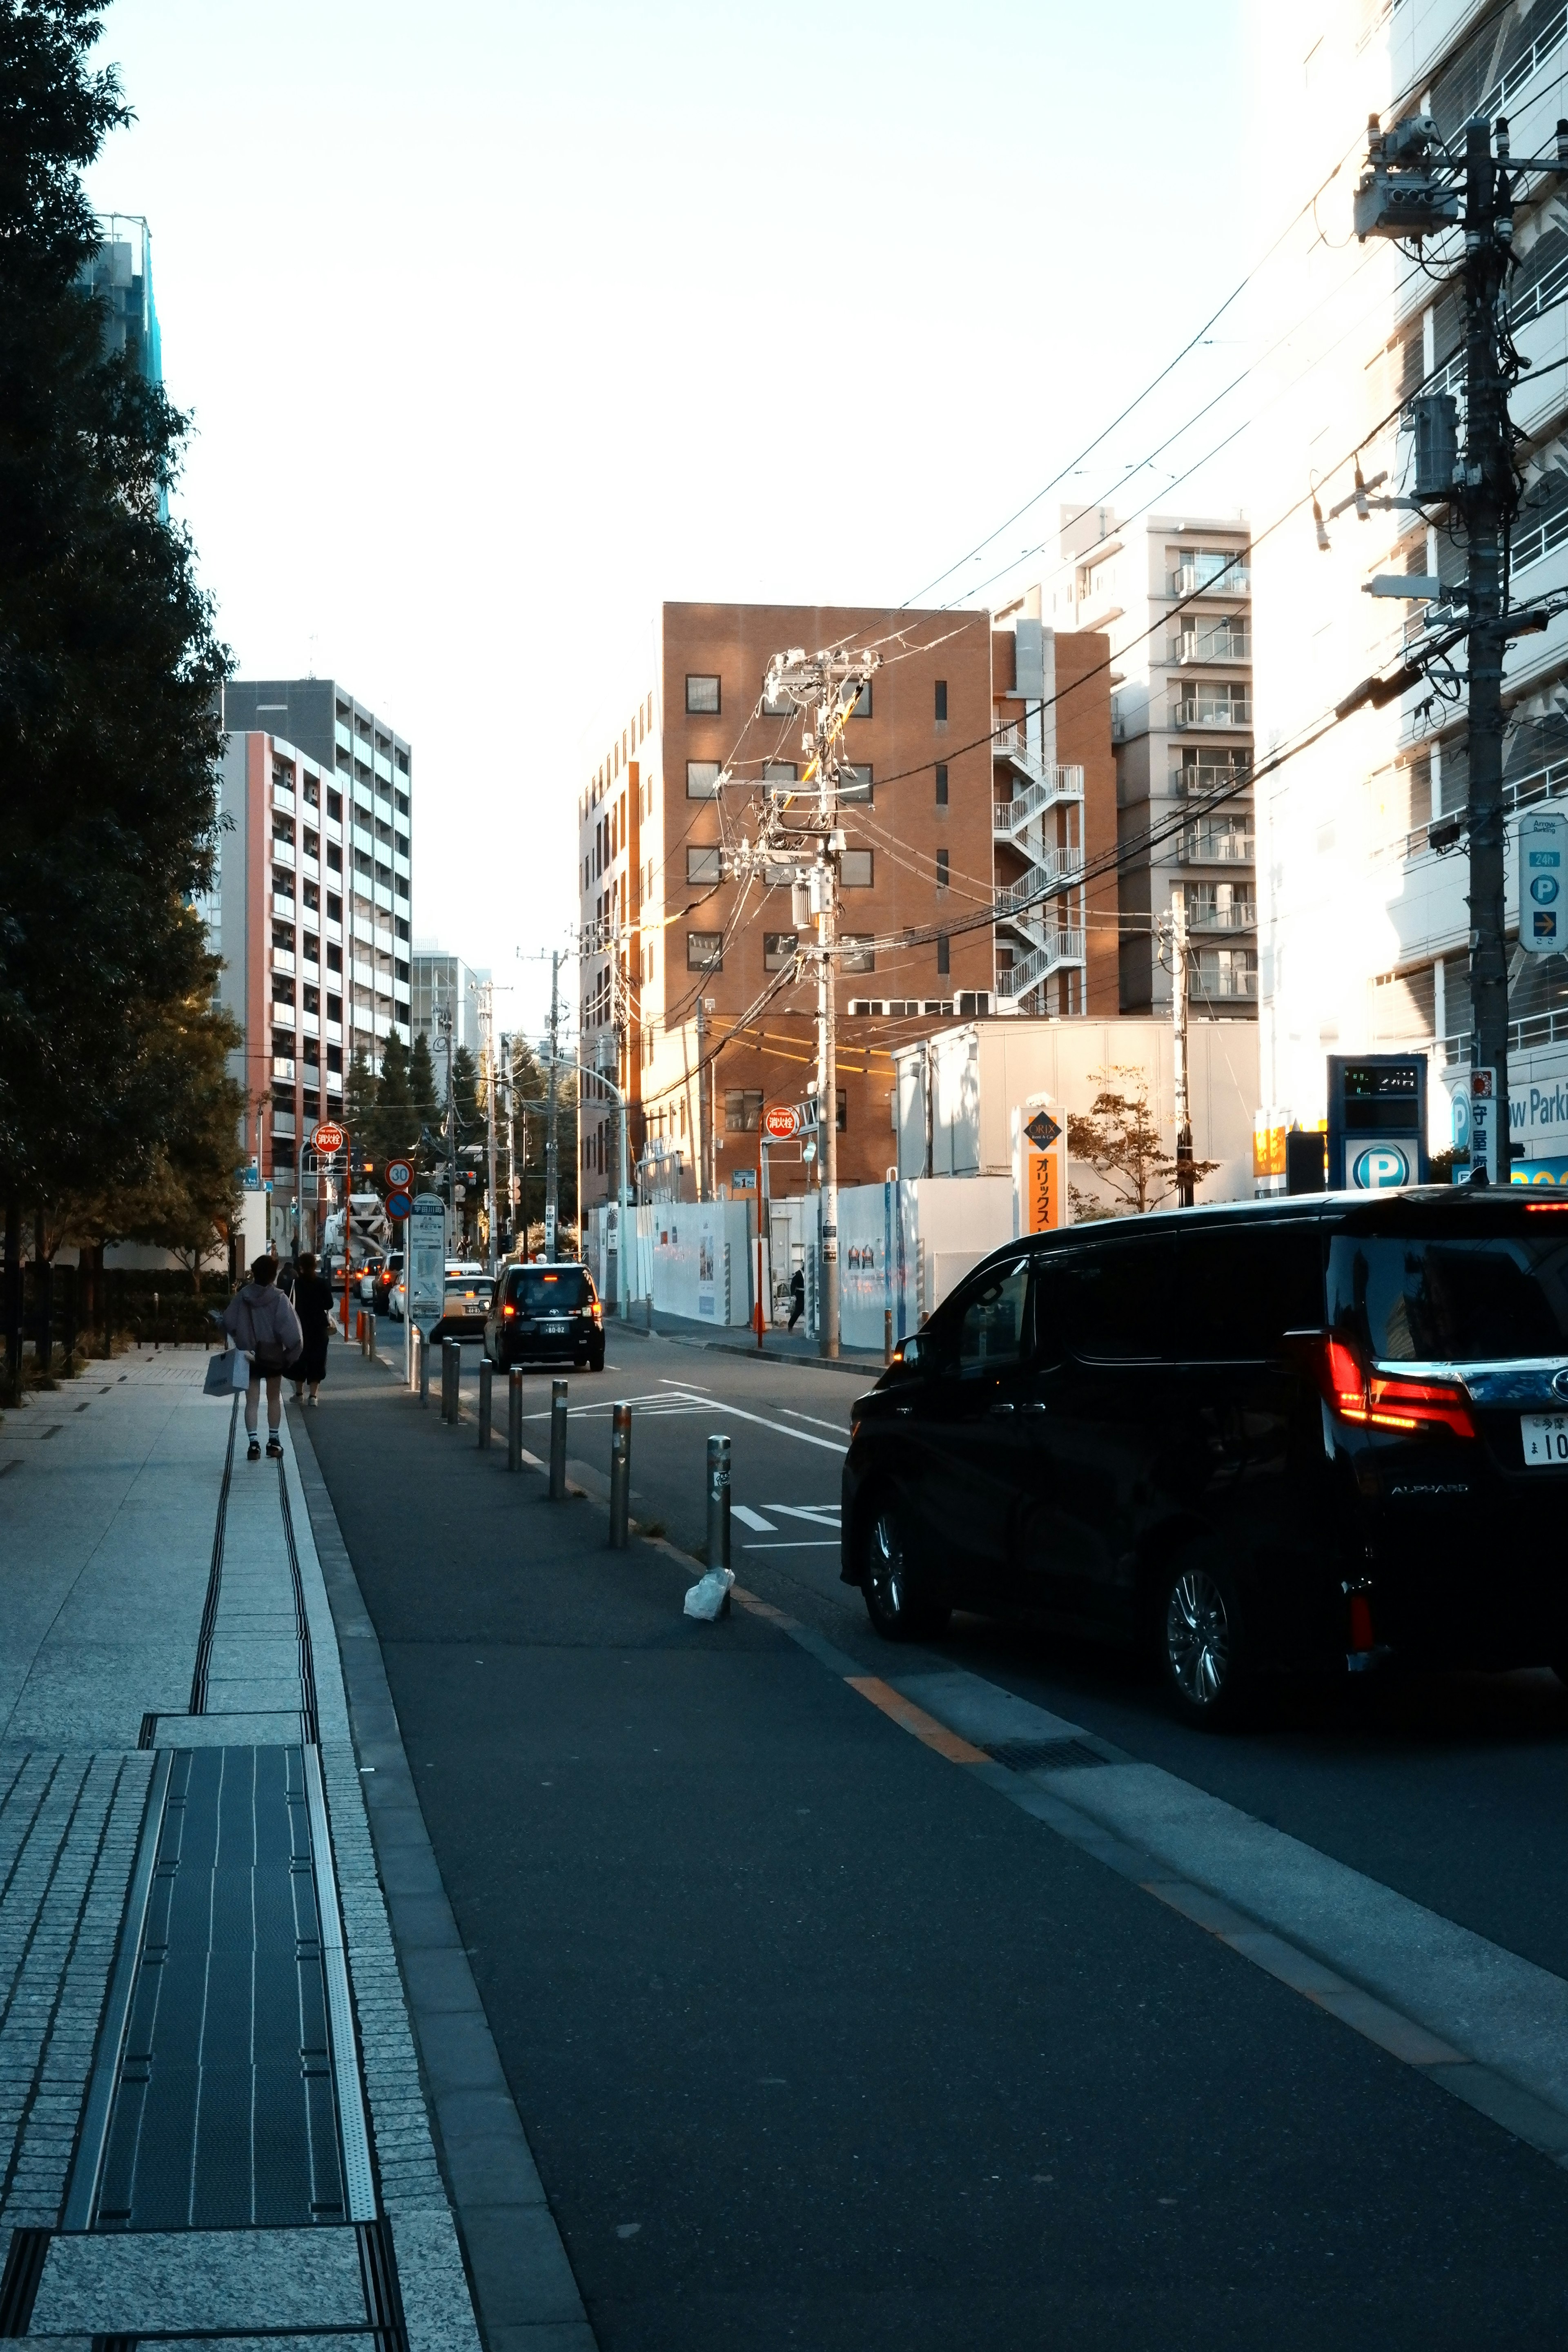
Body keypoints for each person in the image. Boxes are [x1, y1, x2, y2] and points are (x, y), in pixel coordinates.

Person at [222, 1256, 303, 1462]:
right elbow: (293, 1333)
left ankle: (253, 1445)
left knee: (252, 1401)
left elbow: (228, 1321)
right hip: (273, 1356)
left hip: (248, 1355)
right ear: (273, 1274)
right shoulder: (280, 1299)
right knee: (274, 1398)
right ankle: (274, 1443)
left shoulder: (243, 1296)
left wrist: (241, 1338)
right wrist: (290, 1356)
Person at [290, 1251, 334, 1405]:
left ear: (301, 1266)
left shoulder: (296, 1283)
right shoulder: (321, 1283)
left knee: (299, 1360)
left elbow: (289, 1304)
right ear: (315, 1266)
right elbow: (329, 1304)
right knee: (317, 1360)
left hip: (299, 1326)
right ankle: (313, 1397)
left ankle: (299, 1394)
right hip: (319, 1327)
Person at [788, 1264, 806, 1332]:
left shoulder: (809, 1273)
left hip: (807, 1293)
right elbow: (793, 1285)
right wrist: (793, 1295)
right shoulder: (798, 1274)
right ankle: (791, 1324)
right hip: (800, 1293)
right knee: (799, 1310)